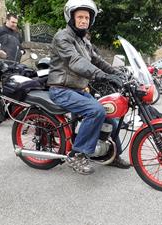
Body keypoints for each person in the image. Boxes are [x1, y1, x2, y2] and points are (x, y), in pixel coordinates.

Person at [47, 0, 130, 175]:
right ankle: (77, 154)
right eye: (80, 17)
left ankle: (111, 154)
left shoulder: (84, 41)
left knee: (110, 114)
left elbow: (98, 61)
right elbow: (76, 61)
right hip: (61, 89)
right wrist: (102, 76)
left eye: (87, 17)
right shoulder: (62, 37)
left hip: (78, 90)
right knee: (96, 111)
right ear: (71, 18)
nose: (84, 20)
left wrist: (117, 73)